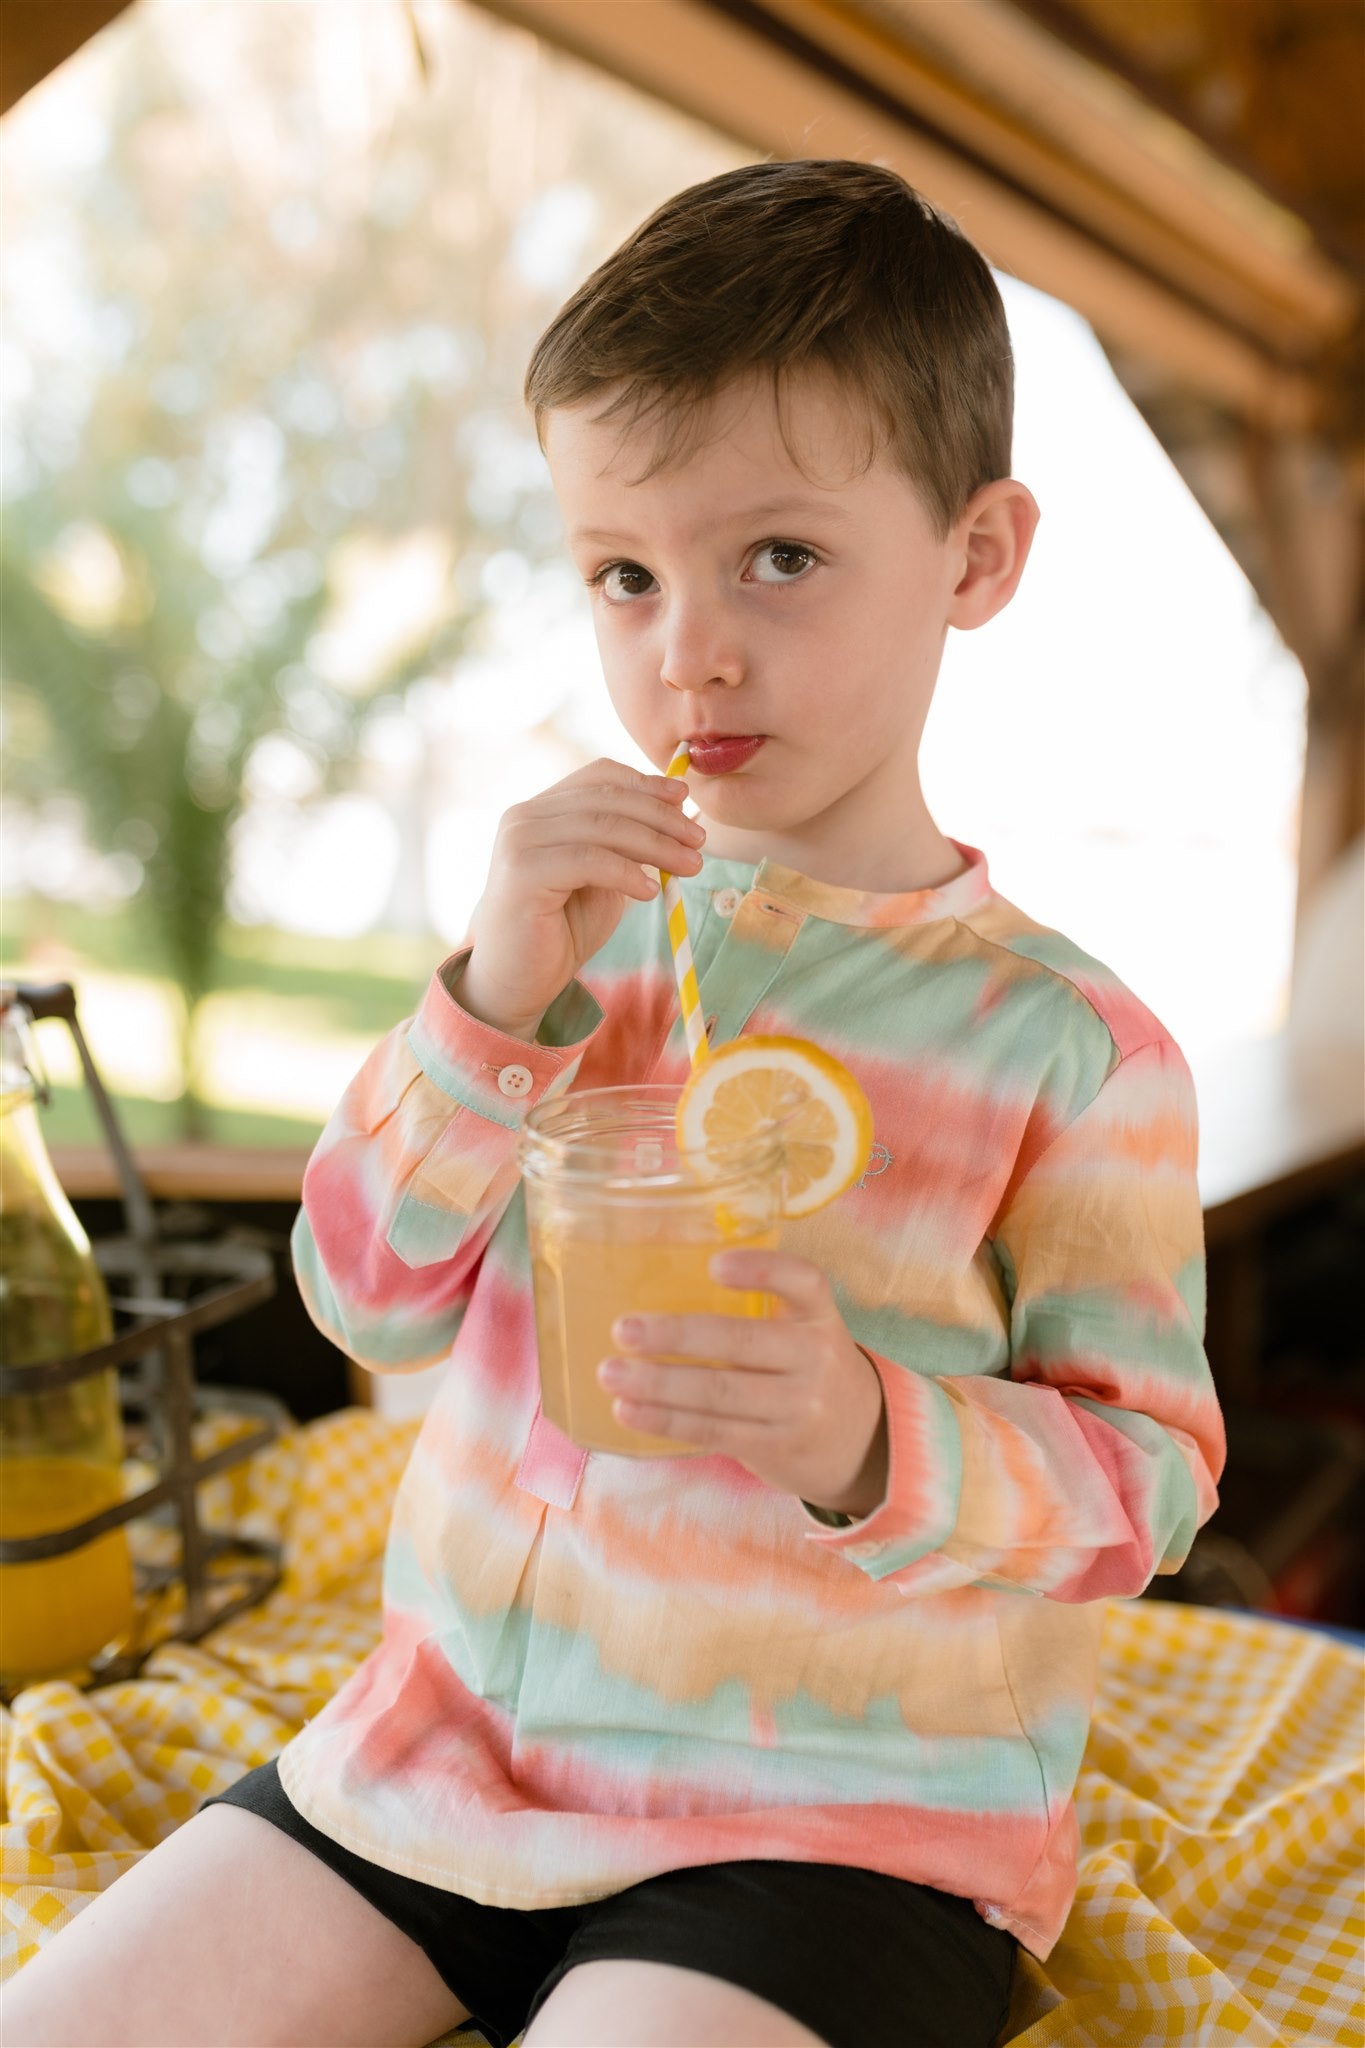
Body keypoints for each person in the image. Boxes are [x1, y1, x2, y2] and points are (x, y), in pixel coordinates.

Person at [6, 158, 1224, 2048]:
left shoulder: (1071, 1047)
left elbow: (1145, 1488)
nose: (691, 649)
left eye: (781, 559)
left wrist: (861, 1434)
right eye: (624, 574)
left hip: (834, 1826)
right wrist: (488, 1003)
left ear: (975, 557)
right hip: (439, 1762)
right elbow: (363, 1295)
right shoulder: (560, 949)